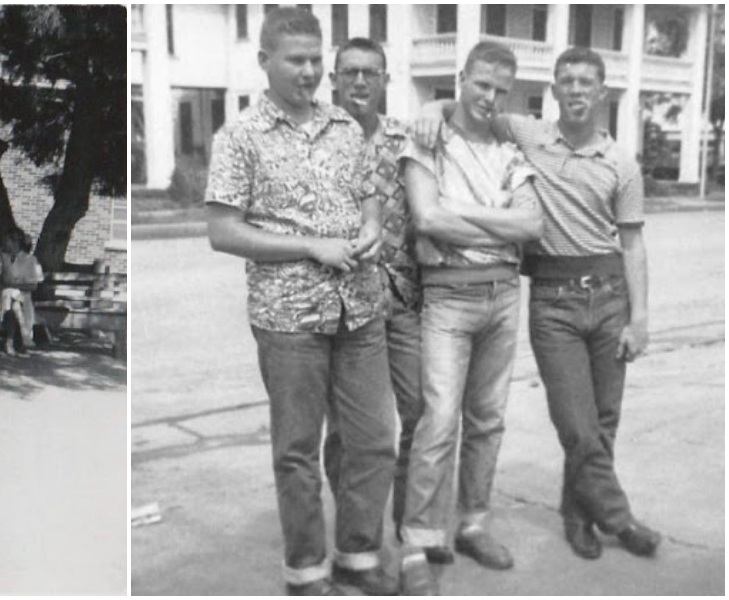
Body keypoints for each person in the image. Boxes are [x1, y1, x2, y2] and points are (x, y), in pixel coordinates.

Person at [414, 47, 661, 561]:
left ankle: (580, 516)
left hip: (610, 295)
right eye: (566, 80)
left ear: (602, 92)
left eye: (586, 82)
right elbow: (463, 105)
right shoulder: (528, 135)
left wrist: (639, 317)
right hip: (554, 300)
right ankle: (619, 515)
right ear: (553, 89)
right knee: (576, 421)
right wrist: (428, 109)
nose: (575, 90)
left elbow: (633, 244)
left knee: (602, 421)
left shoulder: (622, 163)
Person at [205, 8, 396, 596]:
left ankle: (358, 558)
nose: (311, 71)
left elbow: (369, 201)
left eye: (317, 59)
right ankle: (306, 572)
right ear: (265, 62)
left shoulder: (345, 127)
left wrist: (371, 230)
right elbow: (223, 231)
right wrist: (311, 246)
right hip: (289, 320)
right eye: (297, 60)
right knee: (297, 452)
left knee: (372, 442)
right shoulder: (238, 137)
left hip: (360, 311)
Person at [396, 41, 543, 594]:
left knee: (488, 419)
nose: (490, 97)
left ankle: (474, 523)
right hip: (449, 300)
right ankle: (417, 540)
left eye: (501, 90)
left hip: (504, 297)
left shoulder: (509, 149)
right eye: (482, 84)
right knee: (437, 420)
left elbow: (532, 226)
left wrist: (458, 213)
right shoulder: (427, 139)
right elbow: (426, 215)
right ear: (461, 78)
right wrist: (493, 222)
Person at [319, 37, 423, 541]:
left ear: (386, 80)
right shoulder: (312, 138)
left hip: (403, 299)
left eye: (371, 72)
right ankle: (356, 530)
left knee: (420, 411)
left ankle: (408, 522)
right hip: (343, 306)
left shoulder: (405, 138)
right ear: (333, 78)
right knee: (346, 427)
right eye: (350, 71)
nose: (360, 81)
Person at [0, 227, 43, 356]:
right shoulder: (3, 259)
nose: (4, 244)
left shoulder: (31, 260)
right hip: (3, 297)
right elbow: (1, 281)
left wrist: (13, 285)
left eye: (7, 241)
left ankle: (10, 341)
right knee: (11, 297)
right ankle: (22, 338)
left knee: (14, 299)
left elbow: (33, 286)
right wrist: (6, 262)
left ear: (16, 242)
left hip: (23, 297)